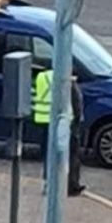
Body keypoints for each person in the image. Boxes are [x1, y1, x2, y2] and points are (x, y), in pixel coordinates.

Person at [32, 68, 86, 196]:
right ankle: (70, 186)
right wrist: (77, 124)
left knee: (49, 155)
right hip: (65, 123)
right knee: (68, 154)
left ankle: (48, 184)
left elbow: (34, 95)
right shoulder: (67, 81)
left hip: (44, 120)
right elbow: (77, 104)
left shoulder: (42, 77)